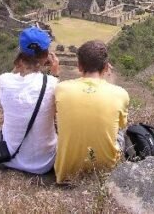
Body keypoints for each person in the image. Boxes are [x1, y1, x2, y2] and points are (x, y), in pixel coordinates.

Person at [54, 40, 129, 183]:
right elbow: (120, 126)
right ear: (106, 67)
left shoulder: (61, 89)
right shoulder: (120, 93)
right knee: (120, 128)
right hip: (106, 173)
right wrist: (111, 82)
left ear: (79, 66)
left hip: (65, 175)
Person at [0, 26, 60, 174]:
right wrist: (55, 71)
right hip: (44, 164)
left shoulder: (4, 80)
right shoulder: (51, 83)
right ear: (46, 55)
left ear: (21, 53)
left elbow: (15, 75)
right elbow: (56, 110)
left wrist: (20, 63)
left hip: (9, 159)